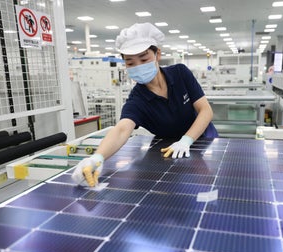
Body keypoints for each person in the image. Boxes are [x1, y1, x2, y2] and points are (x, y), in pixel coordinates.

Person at [72, 22, 218, 186]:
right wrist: (96, 158)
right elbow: (121, 130)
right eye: (130, 62)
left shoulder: (180, 73)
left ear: (158, 55)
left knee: (205, 183)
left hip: (204, 140)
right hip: (168, 149)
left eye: (144, 58)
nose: (138, 66)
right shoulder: (138, 100)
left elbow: (205, 110)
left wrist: (186, 141)